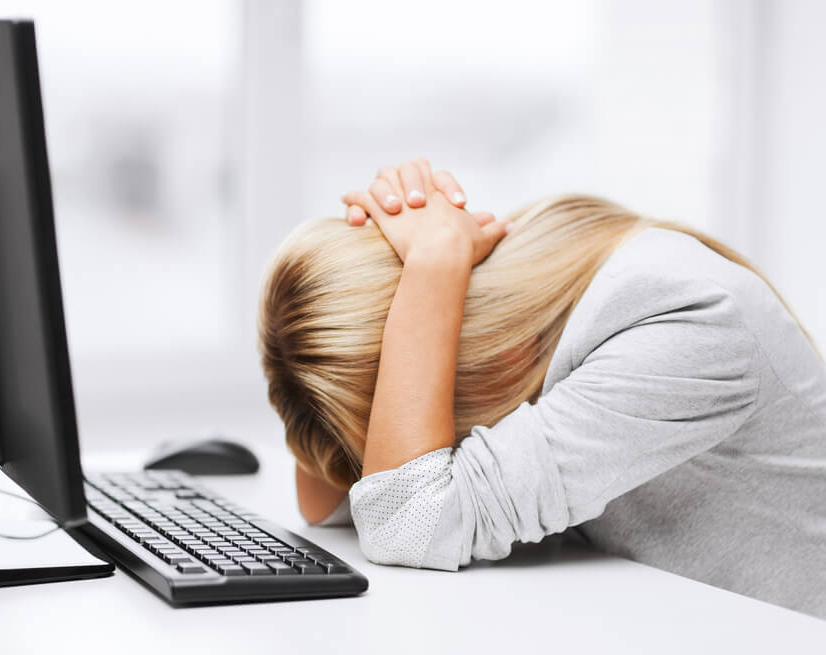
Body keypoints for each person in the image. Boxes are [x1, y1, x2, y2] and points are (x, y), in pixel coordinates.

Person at [258, 158, 826, 618]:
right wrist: (368, 284)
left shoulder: (679, 319)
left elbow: (406, 523)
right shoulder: (533, 289)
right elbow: (329, 500)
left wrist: (432, 266)